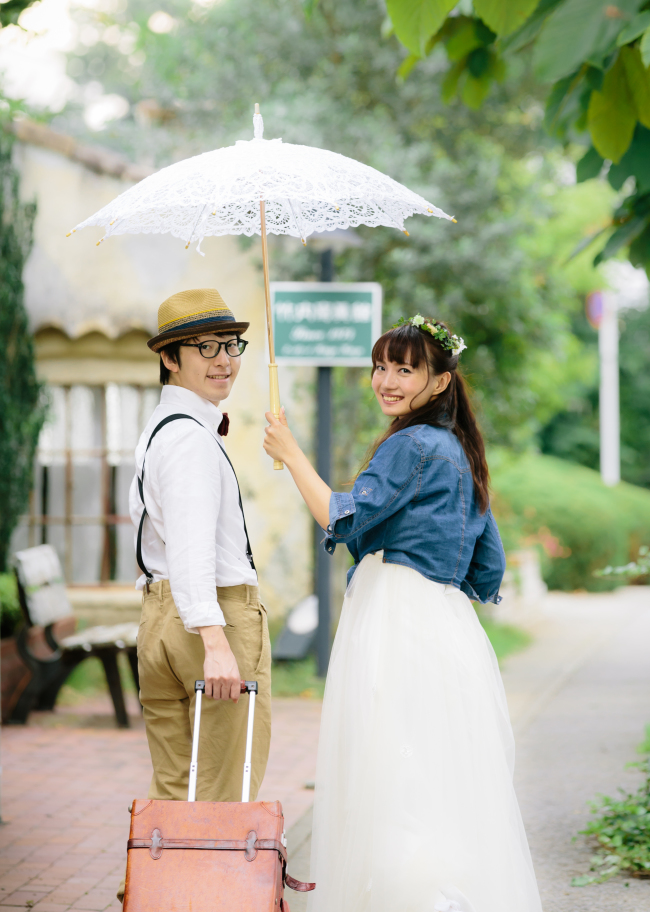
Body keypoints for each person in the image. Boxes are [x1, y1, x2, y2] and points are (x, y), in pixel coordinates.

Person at [262, 315, 541, 912]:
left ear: (439, 382)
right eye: (380, 366)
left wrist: (290, 453)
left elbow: (341, 517)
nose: (386, 381)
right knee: (434, 778)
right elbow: (487, 568)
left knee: (391, 776)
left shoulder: (410, 445)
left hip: (397, 617)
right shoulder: (461, 450)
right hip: (447, 623)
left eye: (405, 369)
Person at [130, 287, 271, 799]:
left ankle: (158, 864)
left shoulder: (160, 428)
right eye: (206, 347)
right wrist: (215, 643)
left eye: (231, 345)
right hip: (211, 618)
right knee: (221, 795)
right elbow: (191, 548)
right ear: (169, 358)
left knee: (173, 793)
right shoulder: (190, 438)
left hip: (160, 617)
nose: (224, 360)